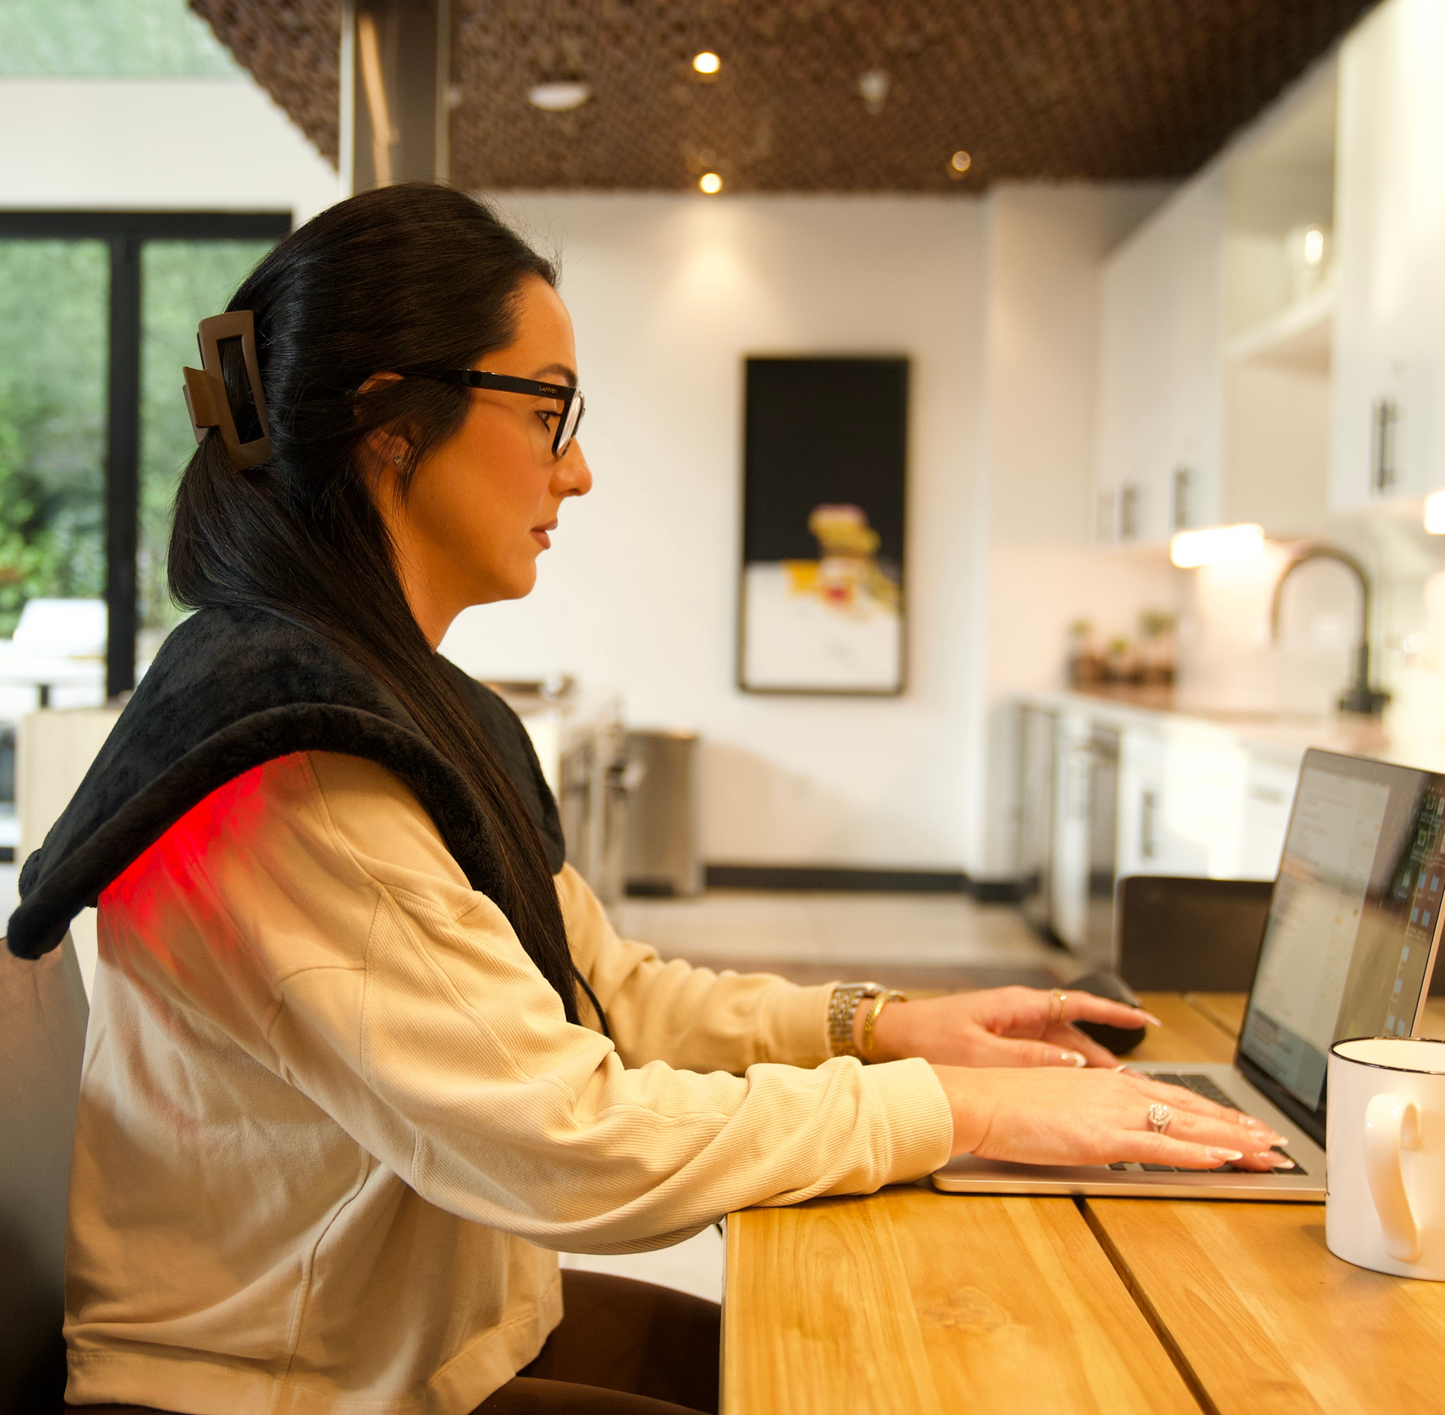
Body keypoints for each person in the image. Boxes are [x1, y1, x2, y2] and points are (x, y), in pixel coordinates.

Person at [12, 184, 1288, 1415]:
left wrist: (888, 1028)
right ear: (390, 422)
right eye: (550, 412)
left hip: (415, 1339)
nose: (577, 475)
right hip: (276, 1389)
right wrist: (970, 1108)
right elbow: (567, 1139)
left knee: (832, 1360)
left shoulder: (391, 699)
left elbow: (606, 997)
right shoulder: (296, 776)